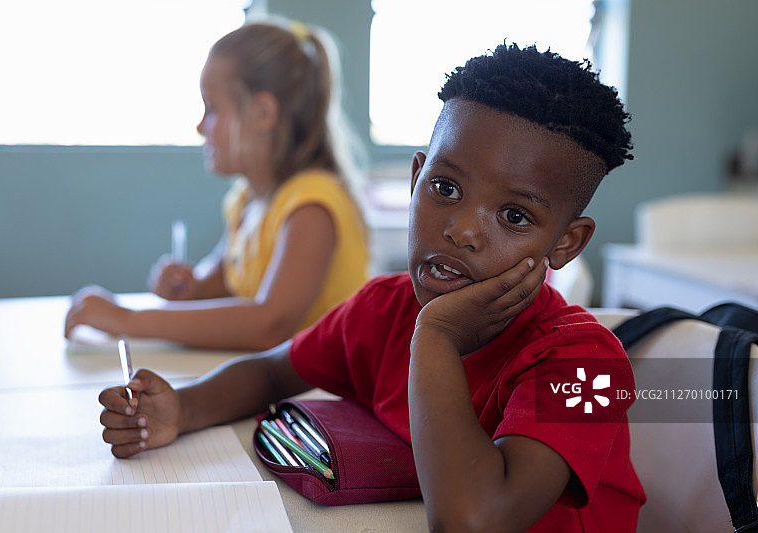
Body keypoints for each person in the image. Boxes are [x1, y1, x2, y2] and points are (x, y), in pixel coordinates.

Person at [98, 43, 645, 532]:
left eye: (514, 216)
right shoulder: (383, 308)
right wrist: (182, 409)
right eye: (445, 187)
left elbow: (473, 521)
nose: (463, 230)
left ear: (566, 243)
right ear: (415, 179)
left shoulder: (584, 364)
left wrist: (436, 336)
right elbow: (272, 370)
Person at [63, 19, 370, 351]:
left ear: (263, 114)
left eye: (211, 109)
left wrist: (129, 320)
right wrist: (190, 287)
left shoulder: (312, 205)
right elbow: (227, 280)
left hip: (328, 382)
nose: (200, 126)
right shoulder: (247, 201)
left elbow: (270, 324)